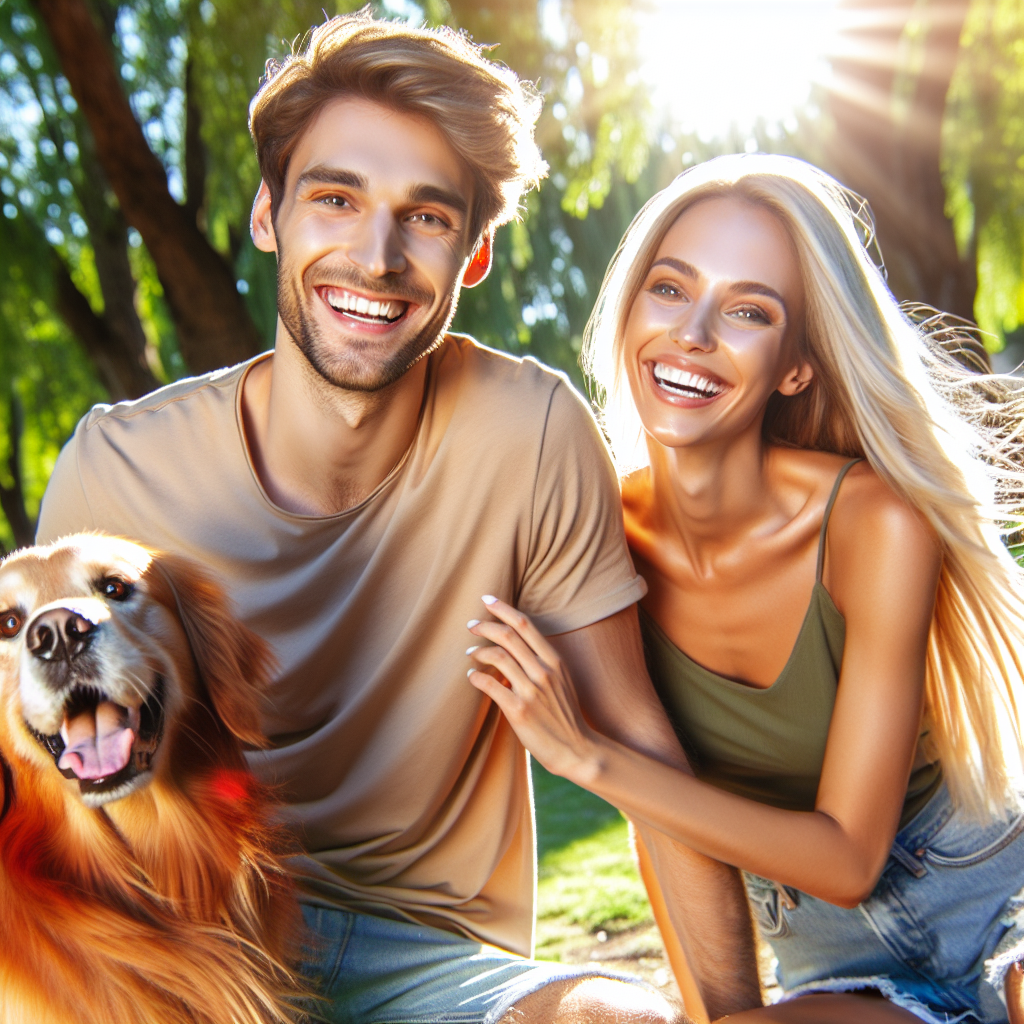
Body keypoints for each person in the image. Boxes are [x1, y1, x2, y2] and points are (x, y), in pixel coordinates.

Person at [33, 15, 764, 1024]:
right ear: (267, 215)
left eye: (423, 216)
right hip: (180, 944)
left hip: (433, 957)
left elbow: (642, 759)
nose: (375, 256)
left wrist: (735, 1020)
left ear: (471, 255)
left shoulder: (530, 431)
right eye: (334, 198)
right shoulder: (114, 470)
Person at [466, 154, 1024, 1024]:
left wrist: (588, 759)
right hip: (836, 955)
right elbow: (666, 818)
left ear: (796, 366)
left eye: (749, 311)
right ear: (629, 314)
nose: (692, 334)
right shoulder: (592, 545)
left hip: (997, 891)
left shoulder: (873, 522)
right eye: (669, 290)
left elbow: (847, 854)